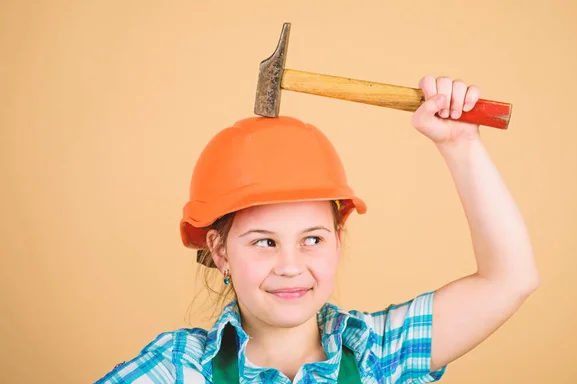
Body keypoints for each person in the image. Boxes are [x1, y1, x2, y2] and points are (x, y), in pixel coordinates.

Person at [95, 76, 539, 383]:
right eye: (265, 242)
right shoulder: (178, 369)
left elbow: (510, 280)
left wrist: (461, 145)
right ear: (220, 250)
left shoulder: (377, 356)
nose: (292, 267)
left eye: (312, 239)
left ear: (338, 240)